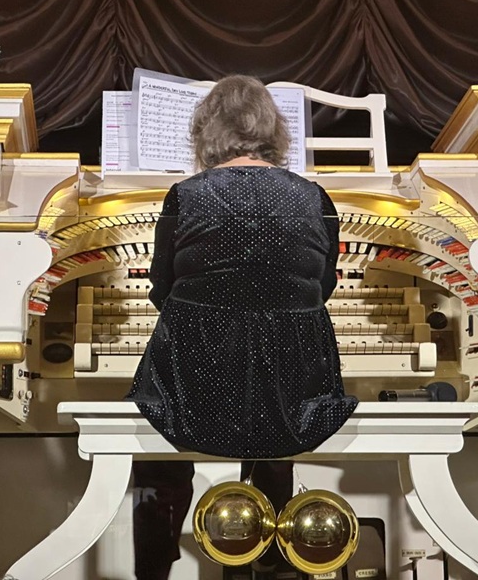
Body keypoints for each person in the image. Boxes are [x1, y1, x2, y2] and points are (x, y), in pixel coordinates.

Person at [126, 74, 358, 579]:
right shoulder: (314, 197)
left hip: (194, 389)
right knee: (274, 400)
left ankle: (154, 568)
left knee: (154, 437)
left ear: (206, 132)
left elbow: (162, 290)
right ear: (274, 132)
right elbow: (321, 289)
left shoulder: (185, 195)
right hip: (292, 393)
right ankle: (271, 561)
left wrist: (219, 318)